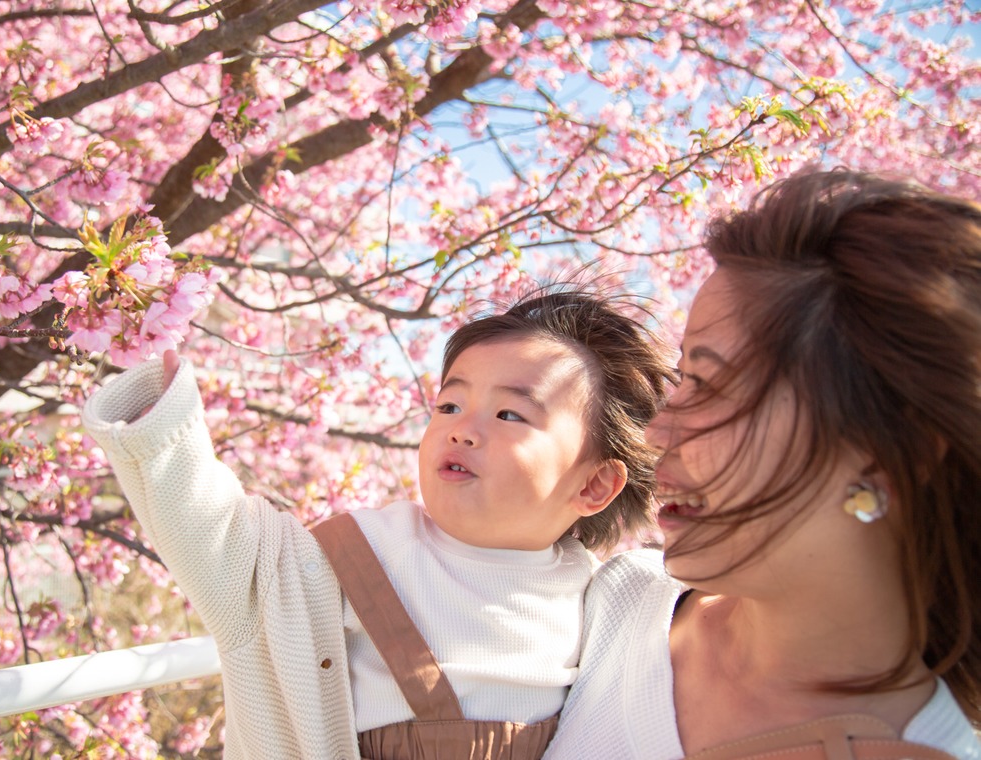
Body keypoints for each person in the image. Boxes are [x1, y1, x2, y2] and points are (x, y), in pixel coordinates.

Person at [82, 290, 673, 760]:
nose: (462, 429)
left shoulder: (605, 604)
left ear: (594, 486)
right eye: (449, 405)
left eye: (509, 414)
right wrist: (164, 428)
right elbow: (225, 546)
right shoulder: (355, 554)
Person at [542, 168, 981, 759]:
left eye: (710, 385)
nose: (655, 433)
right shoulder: (618, 599)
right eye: (680, 379)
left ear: (894, 450)